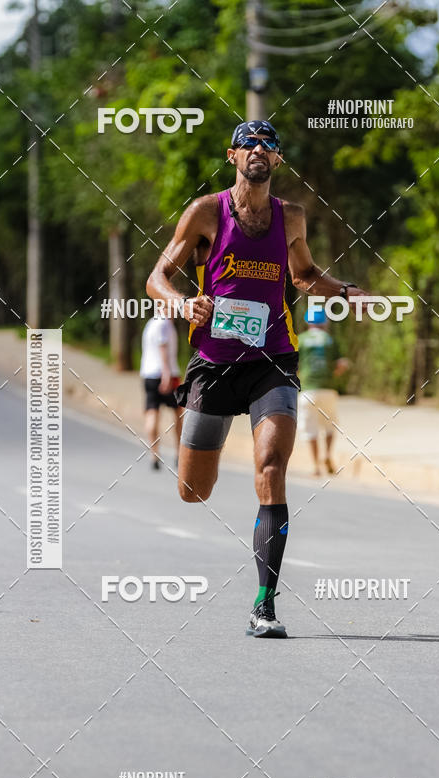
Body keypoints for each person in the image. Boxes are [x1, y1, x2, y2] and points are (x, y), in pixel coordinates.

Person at [146, 119, 369, 637]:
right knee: (193, 491)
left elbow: (305, 276)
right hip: (214, 364)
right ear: (233, 155)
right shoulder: (205, 212)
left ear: (278, 160)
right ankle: (204, 444)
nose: (259, 150)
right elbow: (157, 277)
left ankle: (264, 604)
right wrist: (184, 304)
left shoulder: (291, 217)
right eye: (250, 143)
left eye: (270, 144)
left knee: (271, 469)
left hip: (273, 360)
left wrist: (345, 291)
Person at [298, 308, 349, 476]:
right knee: (329, 425)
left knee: (310, 429)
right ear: (324, 323)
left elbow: (294, 365)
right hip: (328, 389)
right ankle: (327, 454)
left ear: (308, 322)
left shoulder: (301, 340)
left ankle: (315, 465)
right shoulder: (330, 340)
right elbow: (341, 364)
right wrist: (333, 374)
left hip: (308, 391)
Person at [140, 313, 182, 470]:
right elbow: (162, 347)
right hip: (167, 375)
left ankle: (154, 455)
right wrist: (166, 375)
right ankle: (179, 453)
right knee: (179, 412)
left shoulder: (151, 323)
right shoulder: (163, 324)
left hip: (148, 374)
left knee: (152, 412)